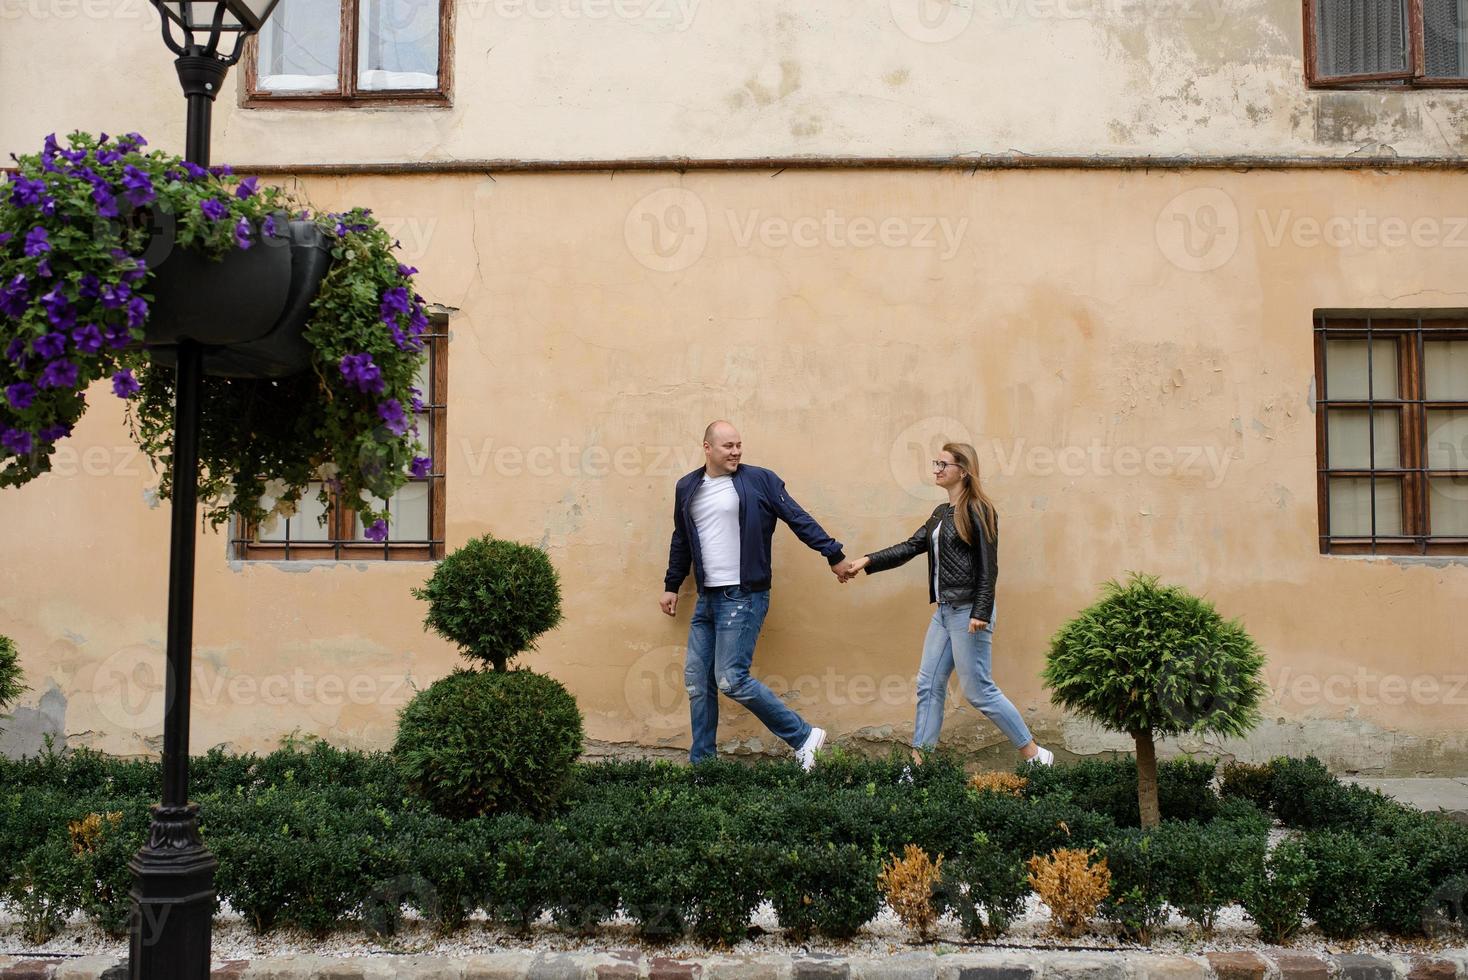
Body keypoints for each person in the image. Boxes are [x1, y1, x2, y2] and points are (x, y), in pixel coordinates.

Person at [842, 442, 1054, 767]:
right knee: (928, 686)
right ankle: (918, 767)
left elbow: (988, 565)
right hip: (944, 612)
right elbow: (911, 546)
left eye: (943, 464)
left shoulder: (979, 509)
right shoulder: (941, 514)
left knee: (978, 691)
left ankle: (1036, 755)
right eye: (935, 463)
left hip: (970, 611)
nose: (936, 470)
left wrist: (981, 611)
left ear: (963, 471)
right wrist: (866, 561)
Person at [660, 420, 852, 770]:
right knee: (698, 683)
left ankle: (804, 737)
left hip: (744, 595)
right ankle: (704, 767)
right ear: (707, 448)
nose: (736, 452)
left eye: (738, 445)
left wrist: (833, 554)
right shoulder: (687, 486)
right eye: (727, 446)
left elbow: (797, 518)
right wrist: (672, 585)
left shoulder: (759, 480)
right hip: (708, 598)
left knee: (731, 679)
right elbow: (681, 539)